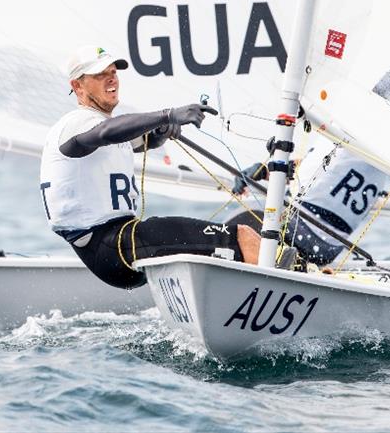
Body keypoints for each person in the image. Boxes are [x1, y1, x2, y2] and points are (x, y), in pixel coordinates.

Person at [39, 45, 261, 289]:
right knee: (243, 236)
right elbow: (106, 133)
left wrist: (160, 135)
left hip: (118, 244)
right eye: (100, 74)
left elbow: (137, 139)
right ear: (77, 86)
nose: (112, 78)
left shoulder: (102, 125)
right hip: (111, 245)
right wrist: (168, 115)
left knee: (242, 234)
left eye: (113, 71)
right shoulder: (76, 123)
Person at [233, 141, 390, 266]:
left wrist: (267, 169)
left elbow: (310, 170)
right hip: (328, 251)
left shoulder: (345, 135)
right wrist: (264, 172)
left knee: (245, 219)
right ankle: (292, 263)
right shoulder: (381, 159)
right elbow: (323, 172)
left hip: (300, 232)